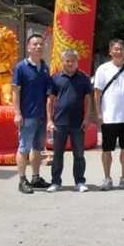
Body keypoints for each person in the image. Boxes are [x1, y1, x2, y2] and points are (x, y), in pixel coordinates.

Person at [93, 39, 124, 191]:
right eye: (116, 49)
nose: (118, 52)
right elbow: (97, 93)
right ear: (110, 51)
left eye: (121, 49)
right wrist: (98, 113)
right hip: (109, 116)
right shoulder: (103, 69)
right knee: (107, 149)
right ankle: (107, 178)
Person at [46, 49, 94, 193]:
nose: (70, 63)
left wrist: (87, 118)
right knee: (57, 154)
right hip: (59, 122)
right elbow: (50, 100)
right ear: (62, 61)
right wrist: (49, 120)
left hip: (78, 123)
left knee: (79, 154)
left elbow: (89, 98)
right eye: (67, 60)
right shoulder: (56, 78)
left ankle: (80, 181)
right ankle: (56, 182)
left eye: (73, 60)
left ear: (77, 61)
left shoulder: (83, 78)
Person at [12, 34, 52, 194]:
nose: (38, 47)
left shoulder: (45, 67)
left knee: (37, 148)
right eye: (35, 44)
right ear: (28, 47)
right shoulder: (21, 67)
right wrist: (17, 113)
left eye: (41, 44)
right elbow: (15, 92)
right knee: (24, 147)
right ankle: (22, 180)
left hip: (42, 115)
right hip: (27, 115)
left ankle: (36, 178)